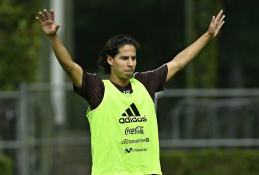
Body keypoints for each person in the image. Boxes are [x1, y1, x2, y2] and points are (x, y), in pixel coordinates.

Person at [36, 8, 225, 175]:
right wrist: (53, 37)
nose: (130, 63)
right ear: (110, 60)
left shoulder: (145, 83)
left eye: (133, 58)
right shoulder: (98, 88)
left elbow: (179, 62)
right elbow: (69, 67)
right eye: (124, 58)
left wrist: (208, 35)